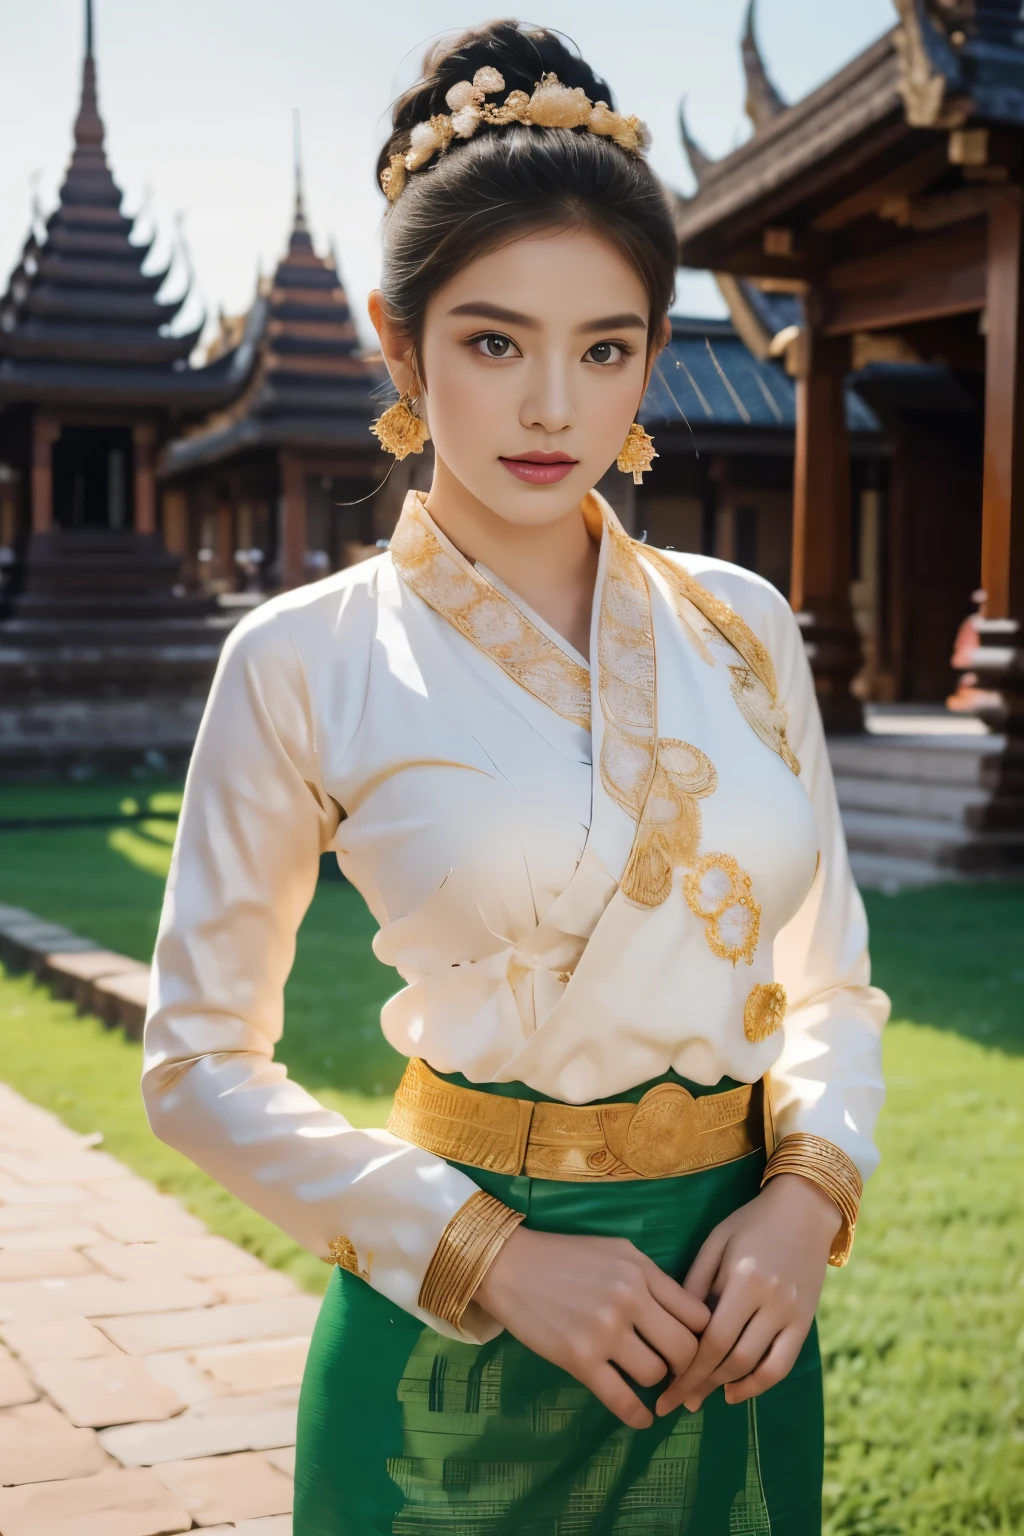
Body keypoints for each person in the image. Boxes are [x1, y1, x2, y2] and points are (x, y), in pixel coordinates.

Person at [142, 22, 888, 1534]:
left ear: (650, 357)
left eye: (604, 347)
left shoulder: (741, 625)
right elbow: (195, 1065)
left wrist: (808, 1196)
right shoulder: (305, 660)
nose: (555, 406)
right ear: (400, 343)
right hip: (447, 1351)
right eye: (495, 342)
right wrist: (486, 1251)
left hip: (730, 1328)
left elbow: (832, 989)